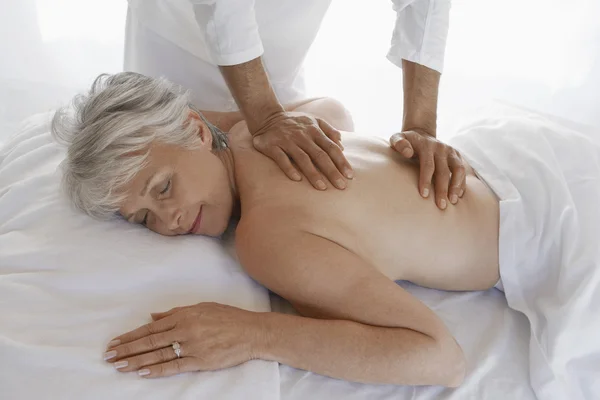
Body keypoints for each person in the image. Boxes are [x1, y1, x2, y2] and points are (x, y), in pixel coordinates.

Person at [124, 0, 466, 210]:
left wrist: (420, 127)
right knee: (161, 170)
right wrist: (265, 116)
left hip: (278, 44)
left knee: (278, 173)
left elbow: (426, 4)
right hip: (176, 36)